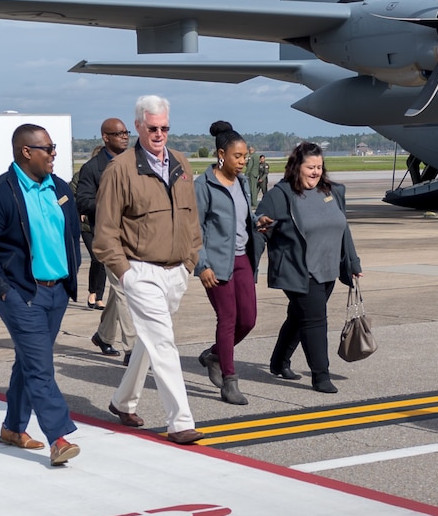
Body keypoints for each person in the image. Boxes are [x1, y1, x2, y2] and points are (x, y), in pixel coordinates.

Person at [92, 95, 203, 443]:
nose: (159, 134)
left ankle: (122, 400)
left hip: (176, 271)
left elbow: (192, 218)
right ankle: (181, 421)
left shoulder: (181, 164)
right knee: (164, 342)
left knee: (150, 340)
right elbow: (105, 231)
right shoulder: (120, 169)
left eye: (164, 128)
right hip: (140, 271)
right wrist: (126, 272)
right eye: (152, 127)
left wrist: (190, 260)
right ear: (138, 126)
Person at [0, 123, 83, 467]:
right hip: (22, 293)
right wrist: (3, 290)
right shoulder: (0, 193)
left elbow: (73, 235)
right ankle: (59, 437)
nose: (53, 155)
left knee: (29, 360)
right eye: (48, 149)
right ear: (26, 152)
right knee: (40, 367)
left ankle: (12, 427)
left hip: (57, 291)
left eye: (53, 149)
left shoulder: (60, 189)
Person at [257, 141, 362, 395]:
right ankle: (320, 375)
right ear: (297, 167)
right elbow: (258, 227)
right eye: (310, 167)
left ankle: (279, 362)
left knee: (299, 316)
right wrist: (250, 264)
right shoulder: (280, 195)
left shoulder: (332, 192)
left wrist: (353, 262)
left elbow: (343, 228)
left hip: (329, 269)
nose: (315, 172)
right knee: (315, 320)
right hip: (298, 270)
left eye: (319, 167)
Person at [194, 122, 264, 405]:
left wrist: (258, 222)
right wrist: (202, 265)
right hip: (217, 264)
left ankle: (214, 355)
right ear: (221, 154)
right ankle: (229, 380)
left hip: (242, 258)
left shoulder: (243, 182)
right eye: (238, 157)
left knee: (248, 320)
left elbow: (242, 216)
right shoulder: (204, 185)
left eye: (245, 157)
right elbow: (194, 227)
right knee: (228, 319)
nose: (243, 162)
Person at [75, 117, 137, 358]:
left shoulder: (134, 163)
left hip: (133, 236)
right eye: (119, 133)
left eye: (126, 132)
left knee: (118, 290)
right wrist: (110, 204)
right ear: (105, 137)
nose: (124, 136)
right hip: (108, 237)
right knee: (125, 288)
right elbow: (83, 201)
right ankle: (132, 349)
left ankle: (103, 335)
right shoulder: (92, 169)